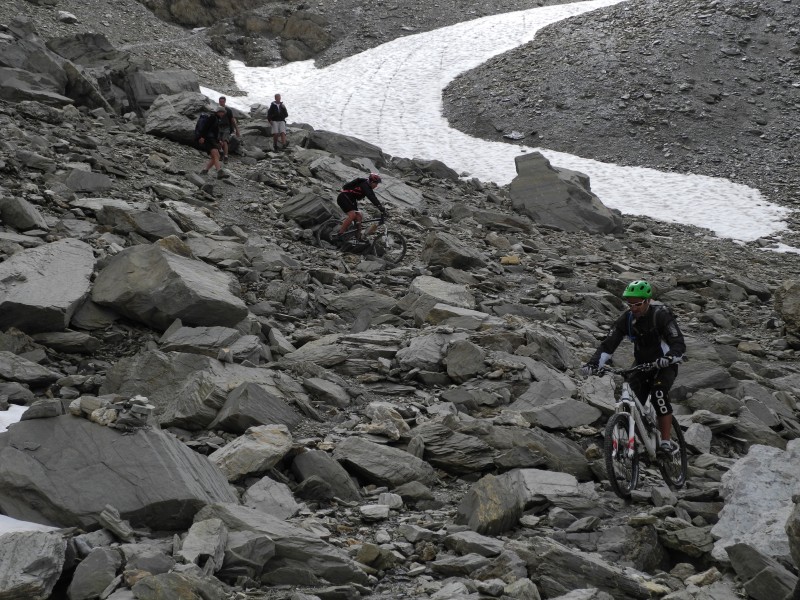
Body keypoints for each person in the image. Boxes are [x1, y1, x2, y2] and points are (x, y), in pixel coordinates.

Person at [581, 280, 686, 453]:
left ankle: (666, 441)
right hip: (641, 365)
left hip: (665, 365)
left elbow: (678, 343)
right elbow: (608, 345)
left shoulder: (661, 315)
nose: (633, 308)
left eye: (637, 304)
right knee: (631, 404)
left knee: (658, 394)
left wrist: (669, 357)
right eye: (629, 304)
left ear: (648, 301)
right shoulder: (626, 319)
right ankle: (642, 441)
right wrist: (593, 364)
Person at [336, 173, 386, 241]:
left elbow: (373, 197)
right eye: (376, 183)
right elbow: (371, 197)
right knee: (352, 215)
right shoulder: (365, 185)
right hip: (344, 197)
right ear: (371, 182)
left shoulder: (368, 186)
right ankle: (340, 234)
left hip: (351, 199)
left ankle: (358, 237)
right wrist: (379, 207)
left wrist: (380, 206)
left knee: (359, 216)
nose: (376, 186)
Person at [197, 106, 229, 179]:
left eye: (223, 113)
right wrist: (202, 137)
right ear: (218, 112)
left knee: (216, 156)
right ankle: (219, 172)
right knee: (215, 154)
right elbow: (206, 128)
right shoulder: (212, 117)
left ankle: (205, 170)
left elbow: (215, 132)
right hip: (208, 139)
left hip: (212, 139)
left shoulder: (217, 119)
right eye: (222, 112)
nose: (223, 114)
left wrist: (219, 141)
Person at [217, 96, 240, 163]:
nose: (221, 103)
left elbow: (232, 120)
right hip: (218, 127)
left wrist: (237, 130)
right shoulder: (217, 109)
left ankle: (226, 156)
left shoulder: (228, 110)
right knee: (218, 140)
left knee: (225, 141)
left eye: (222, 101)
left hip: (226, 127)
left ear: (225, 102)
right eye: (220, 101)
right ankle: (221, 153)